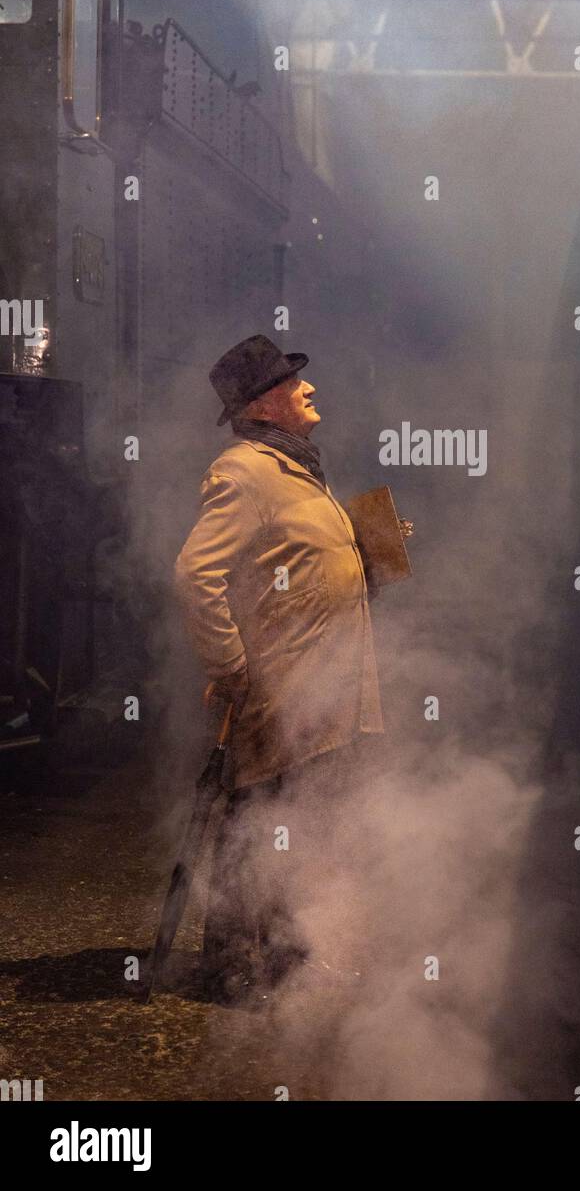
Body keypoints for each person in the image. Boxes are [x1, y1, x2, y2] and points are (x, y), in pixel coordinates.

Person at [174, 334, 384, 1002]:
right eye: (294, 385)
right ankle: (232, 968)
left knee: (302, 824)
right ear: (264, 406)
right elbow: (194, 576)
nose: (308, 389)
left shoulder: (293, 464)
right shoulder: (243, 471)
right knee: (256, 823)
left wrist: (366, 550)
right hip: (281, 685)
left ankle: (288, 958)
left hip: (323, 683)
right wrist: (232, 667)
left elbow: (292, 557)